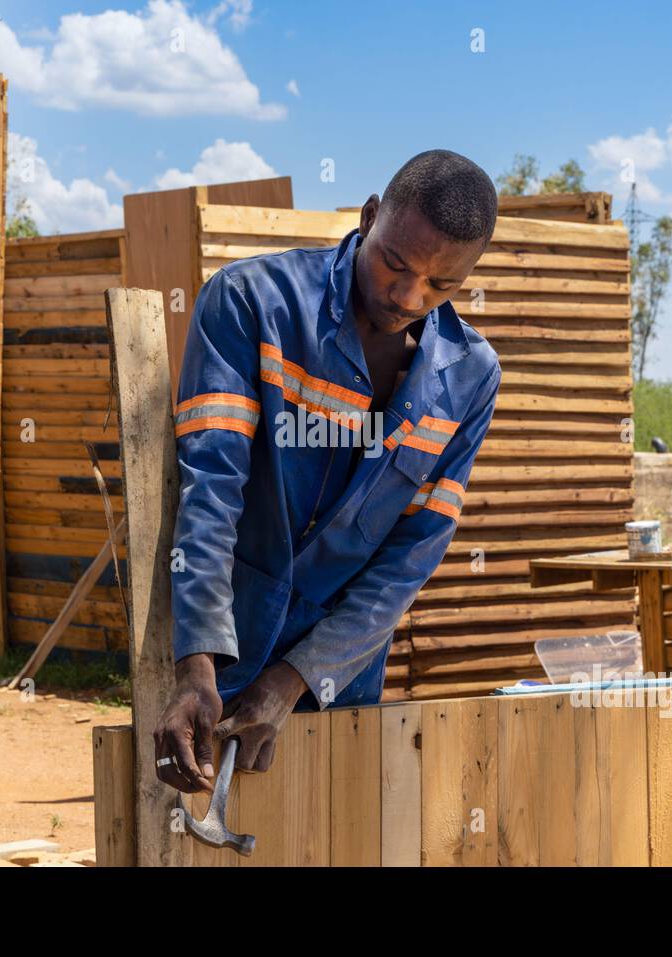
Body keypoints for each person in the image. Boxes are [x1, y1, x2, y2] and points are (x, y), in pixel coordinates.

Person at [155, 149, 502, 794]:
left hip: (337, 677)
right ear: (370, 216)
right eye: (394, 263)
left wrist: (292, 681)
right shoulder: (253, 304)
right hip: (218, 648)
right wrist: (195, 667)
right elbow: (211, 493)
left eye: (440, 286)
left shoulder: (470, 378)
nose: (407, 296)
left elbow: (406, 563)